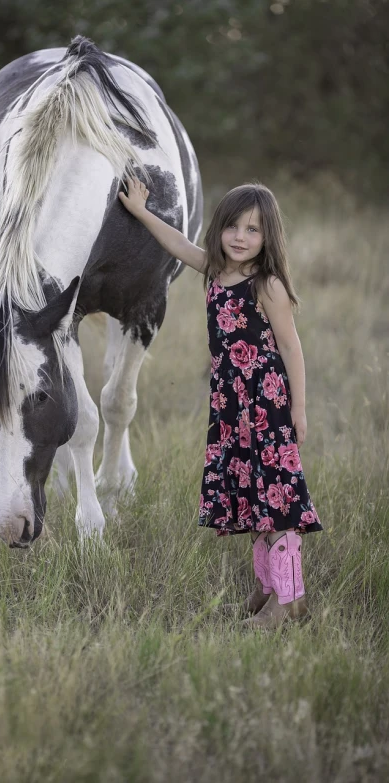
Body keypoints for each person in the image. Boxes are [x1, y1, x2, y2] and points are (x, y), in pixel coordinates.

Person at [119, 177, 323, 629]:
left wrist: (299, 409)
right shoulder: (215, 269)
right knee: (252, 491)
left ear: (268, 235)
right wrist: (139, 211)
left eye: (252, 230)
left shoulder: (267, 284)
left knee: (279, 498)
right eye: (232, 226)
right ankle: (269, 587)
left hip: (266, 403)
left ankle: (289, 601)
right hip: (231, 406)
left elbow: (292, 349)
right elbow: (176, 243)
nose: (240, 238)